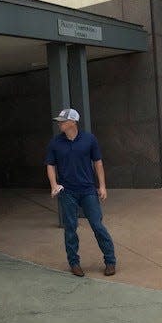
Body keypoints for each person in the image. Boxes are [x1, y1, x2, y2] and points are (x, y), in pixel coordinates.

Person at [45, 108, 117, 277]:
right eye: (60, 121)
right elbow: (50, 164)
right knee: (70, 227)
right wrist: (54, 184)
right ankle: (74, 263)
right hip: (67, 192)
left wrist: (102, 186)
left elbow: (98, 162)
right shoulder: (55, 143)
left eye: (63, 121)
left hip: (88, 190)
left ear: (73, 122)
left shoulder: (89, 140)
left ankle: (110, 261)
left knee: (97, 225)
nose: (60, 123)